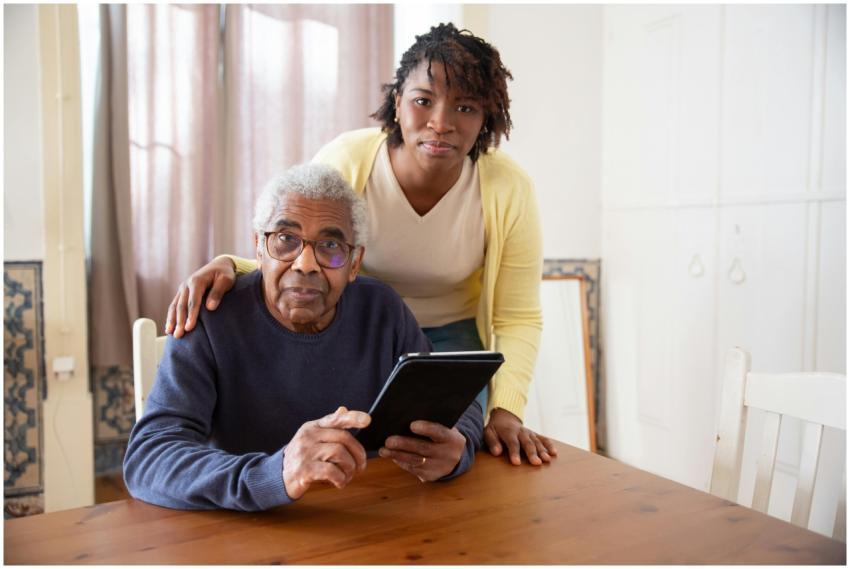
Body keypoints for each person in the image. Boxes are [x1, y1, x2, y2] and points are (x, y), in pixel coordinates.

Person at [164, 23, 558, 467]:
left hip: (452, 341)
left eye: (465, 107)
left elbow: (518, 315)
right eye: (423, 100)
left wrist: (505, 412)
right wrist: (231, 265)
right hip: (363, 330)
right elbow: (302, 241)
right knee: (358, 455)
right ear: (398, 101)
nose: (441, 123)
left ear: (487, 116)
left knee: (446, 460)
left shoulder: (509, 188)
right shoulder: (350, 160)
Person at [123, 164, 483, 511]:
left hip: (372, 518)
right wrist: (275, 474)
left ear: (355, 263)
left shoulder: (383, 310)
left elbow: (458, 405)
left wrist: (457, 451)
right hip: (248, 530)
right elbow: (150, 459)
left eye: (330, 246)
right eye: (286, 240)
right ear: (259, 249)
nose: (305, 264)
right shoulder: (210, 317)